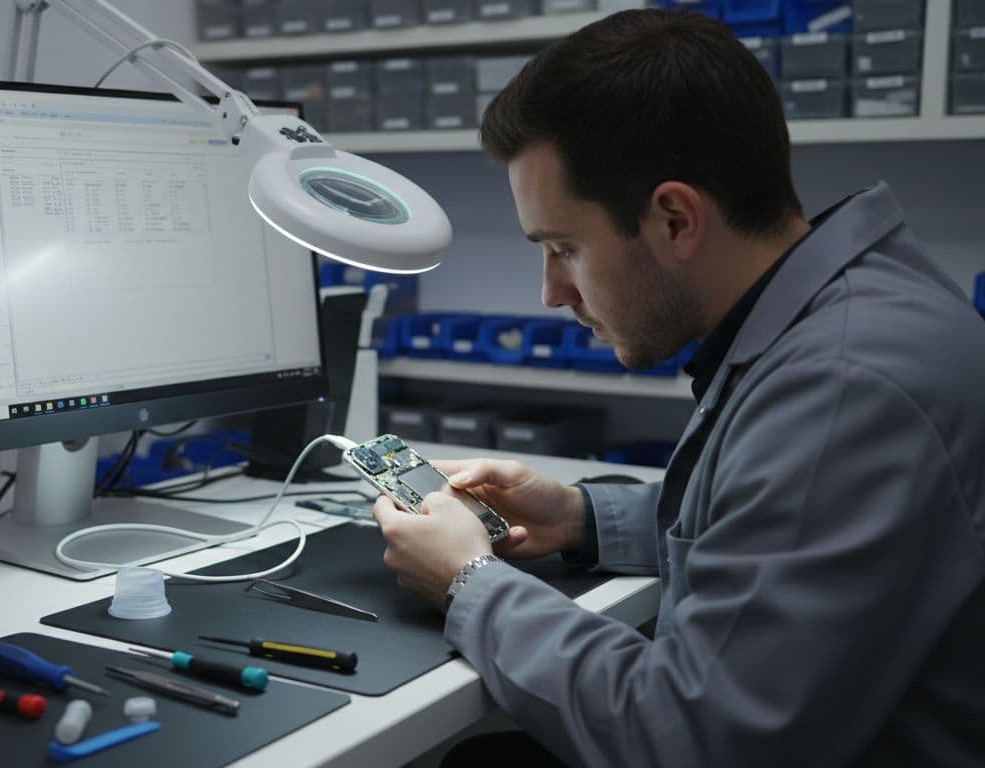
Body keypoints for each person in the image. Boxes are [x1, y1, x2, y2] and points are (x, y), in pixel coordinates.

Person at [371, 8, 985, 767]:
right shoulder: (841, 309)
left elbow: (692, 739)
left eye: (565, 248)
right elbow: (782, 526)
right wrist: (580, 518)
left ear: (673, 219)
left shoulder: (844, 388)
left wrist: (469, 579)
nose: (551, 293)